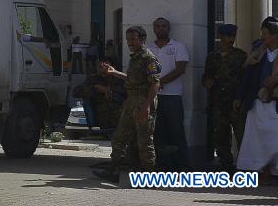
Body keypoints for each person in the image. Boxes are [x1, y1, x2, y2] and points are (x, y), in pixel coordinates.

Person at [93, 25, 162, 183]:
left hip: (143, 102)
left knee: (144, 141)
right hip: (131, 102)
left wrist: (146, 106)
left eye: (133, 39)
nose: (130, 42)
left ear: (143, 40)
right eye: (128, 39)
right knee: (119, 138)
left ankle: (150, 176)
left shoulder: (148, 58)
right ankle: (113, 170)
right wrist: (114, 73)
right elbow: (133, 79)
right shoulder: (135, 57)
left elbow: (155, 84)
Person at [234, 19, 278, 183]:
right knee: (257, 140)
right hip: (258, 103)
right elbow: (247, 78)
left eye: (266, 34)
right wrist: (239, 97)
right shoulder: (258, 53)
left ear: (275, 35)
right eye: (262, 33)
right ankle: (261, 170)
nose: (263, 36)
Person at [202, 23, 248, 172]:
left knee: (241, 134)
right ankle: (225, 164)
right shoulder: (212, 57)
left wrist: (241, 98)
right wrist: (207, 82)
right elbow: (206, 76)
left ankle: (244, 164)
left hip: (235, 101)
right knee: (221, 135)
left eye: (232, 36)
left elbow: (245, 79)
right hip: (218, 101)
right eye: (227, 36)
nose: (230, 39)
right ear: (220, 37)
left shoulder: (241, 55)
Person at [147, 17, 191, 170]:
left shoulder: (179, 47)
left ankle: (182, 166)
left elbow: (180, 69)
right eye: (157, 26)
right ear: (154, 29)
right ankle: (163, 165)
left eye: (164, 26)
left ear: (169, 28)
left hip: (172, 97)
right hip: (153, 97)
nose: (161, 29)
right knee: (158, 133)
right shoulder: (148, 49)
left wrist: (160, 82)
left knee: (176, 131)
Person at [73, 62, 127, 130]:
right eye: (101, 67)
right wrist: (96, 88)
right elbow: (76, 92)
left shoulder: (120, 80)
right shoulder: (94, 80)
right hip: (103, 115)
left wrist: (111, 92)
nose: (104, 69)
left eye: (106, 66)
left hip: (121, 113)